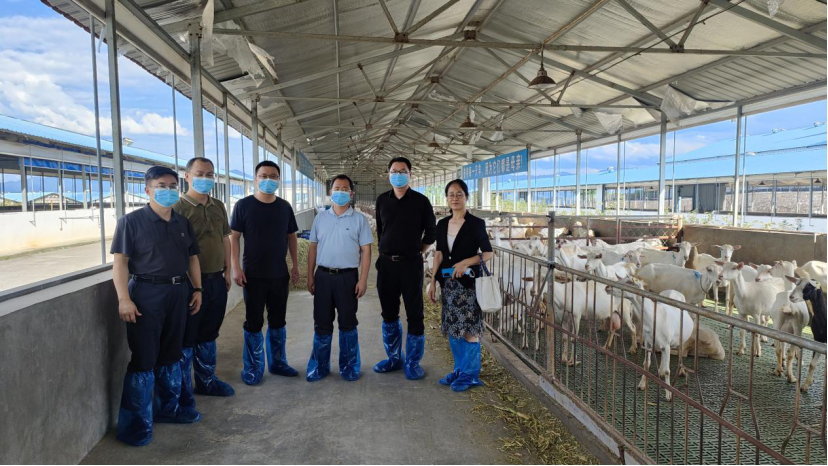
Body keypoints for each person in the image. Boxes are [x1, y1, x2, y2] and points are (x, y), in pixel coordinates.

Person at [111, 166, 203, 446]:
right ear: (147, 190)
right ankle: (135, 426)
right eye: (161, 186)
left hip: (179, 292)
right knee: (144, 357)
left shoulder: (182, 222)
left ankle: (168, 410)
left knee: (171, 354)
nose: (168, 190)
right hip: (146, 294)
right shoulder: (131, 222)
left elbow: (192, 259)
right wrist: (124, 298)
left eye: (173, 186)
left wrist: (197, 288)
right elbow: (120, 263)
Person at [230, 161, 301, 386]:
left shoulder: (284, 207)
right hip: (253, 275)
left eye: (273, 176)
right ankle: (253, 367)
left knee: (278, 320)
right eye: (263, 175)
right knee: (253, 321)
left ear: (278, 180)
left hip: (279, 274)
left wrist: (295, 265)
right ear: (255, 179)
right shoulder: (243, 205)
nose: (268, 180)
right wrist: (236, 267)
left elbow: (291, 236)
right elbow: (234, 237)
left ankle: (278, 363)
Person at [172, 157, 235, 404]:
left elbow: (225, 238)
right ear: (187, 176)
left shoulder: (218, 205)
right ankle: (183, 391)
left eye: (210, 174)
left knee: (209, 332)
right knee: (188, 336)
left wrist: (228, 270)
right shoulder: (177, 208)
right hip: (190, 284)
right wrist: (193, 285)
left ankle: (207, 381)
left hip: (216, 279)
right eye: (200, 173)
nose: (205, 178)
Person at [305, 175, 373, 382]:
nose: (340, 192)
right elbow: (313, 247)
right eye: (337, 188)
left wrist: (363, 280)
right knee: (322, 322)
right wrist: (310, 276)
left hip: (347, 277)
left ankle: (349, 366)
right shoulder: (320, 218)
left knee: (348, 322)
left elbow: (366, 250)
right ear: (330, 192)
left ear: (351, 193)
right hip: (323, 276)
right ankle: (320, 366)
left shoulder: (359, 220)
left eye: (345, 189)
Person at [374, 157, 437, 380]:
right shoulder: (382, 200)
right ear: (388, 174)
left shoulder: (421, 201)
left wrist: (418, 251)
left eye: (403, 171)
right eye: (394, 171)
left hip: (411, 265)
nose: (398, 175)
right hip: (386, 264)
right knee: (389, 312)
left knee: (414, 314)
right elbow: (381, 230)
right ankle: (394, 358)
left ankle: (412, 362)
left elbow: (431, 232)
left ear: (410, 174)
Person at [428, 179, 493, 392]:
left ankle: (470, 374)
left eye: (459, 194)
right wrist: (432, 281)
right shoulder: (442, 224)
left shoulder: (476, 223)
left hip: (468, 284)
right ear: (447, 198)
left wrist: (466, 262)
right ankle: (459, 369)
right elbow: (439, 254)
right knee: (453, 326)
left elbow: (488, 253)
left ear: (466, 197)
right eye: (451, 194)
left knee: (470, 327)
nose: (455, 198)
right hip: (448, 284)